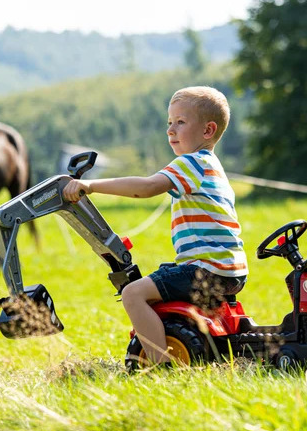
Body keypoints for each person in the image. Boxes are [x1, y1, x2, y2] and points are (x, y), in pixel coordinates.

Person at [62, 86, 248, 365]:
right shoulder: (212, 166)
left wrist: (90, 185)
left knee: (133, 293)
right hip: (228, 271)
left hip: (206, 270)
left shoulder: (192, 163)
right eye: (169, 123)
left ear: (208, 131)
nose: (170, 130)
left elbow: (146, 187)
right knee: (163, 273)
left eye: (180, 122)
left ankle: (161, 364)